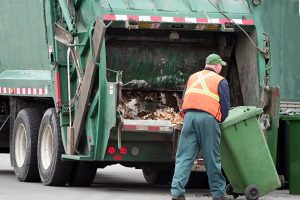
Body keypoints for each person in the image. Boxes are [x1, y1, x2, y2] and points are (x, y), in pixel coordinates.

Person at [171, 54, 230, 200]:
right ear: (217, 66)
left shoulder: (193, 77)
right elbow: (225, 105)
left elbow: (184, 98)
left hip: (189, 117)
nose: (221, 68)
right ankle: (218, 193)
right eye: (221, 65)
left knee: (184, 157)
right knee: (212, 157)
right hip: (208, 119)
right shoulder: (220, 80)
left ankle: (177, 192)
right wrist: (220, 119)